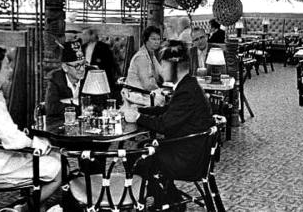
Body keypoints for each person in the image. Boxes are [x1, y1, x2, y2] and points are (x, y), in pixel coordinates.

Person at [0, 47, 61, 206]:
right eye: (6, 66)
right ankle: (25, 209)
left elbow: (6, 132)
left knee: (53, 155)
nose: (10, 70)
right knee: (61, 168)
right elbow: (13, 139)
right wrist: (38, 145)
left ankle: (36, 205)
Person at [124, 43, 214, 209]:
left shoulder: (186, 91)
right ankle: (169, 197)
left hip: (188, 159)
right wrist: (140, 110)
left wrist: (137, 117)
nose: (161, 71)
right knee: (142, 148)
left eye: (164, 66)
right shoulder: (189, 85)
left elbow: (164, 125)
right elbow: (168, 110)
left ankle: (164, 200)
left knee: (136, 156)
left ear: (175, 67)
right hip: (191, 149)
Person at [123, 26, 165, 107]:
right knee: (167, 100)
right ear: (146, 40)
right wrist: (161, 90)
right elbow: (147, 85)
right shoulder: (141, 57)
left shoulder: (151, 54)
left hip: (147, 93)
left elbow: (162, 72)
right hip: (137, 94)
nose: (157, 42)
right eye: (153, 39)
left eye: (158, 39)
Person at [44, 41, 87, 118]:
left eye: (83, 64)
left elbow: (100, 104)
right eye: (77, 66)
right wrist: (79, 106)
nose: (82, 69)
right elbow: (51, 108)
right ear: (65, 67)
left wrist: (67, 102)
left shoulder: (90, 74)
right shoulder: (55, 79)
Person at [81, 28, 117, 93]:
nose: (83, 37)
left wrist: (96, 67)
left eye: (85, 34)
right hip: (84, 72)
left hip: (100, 74)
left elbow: (109, 64)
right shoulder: (83, 47)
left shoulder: (103, 47)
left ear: (92, 35)